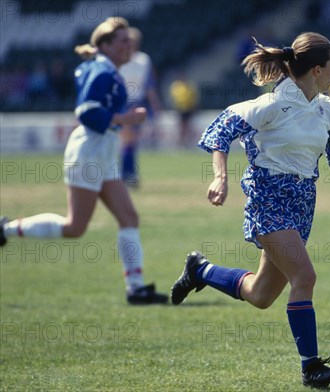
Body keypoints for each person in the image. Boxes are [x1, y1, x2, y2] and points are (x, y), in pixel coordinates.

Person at [170, 32, 330, 388]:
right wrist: (220, 178)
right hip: (267, 200)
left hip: (303, 205)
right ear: (318, 69)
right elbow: (221, 130)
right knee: (304, 278)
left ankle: (200, 270)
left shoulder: (328, 110)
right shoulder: (272, 105)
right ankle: (311, 368)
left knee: (260, 295)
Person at [0, 17, 168, 305]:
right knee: (74, 227)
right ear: (104, 45)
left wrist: (120, 120)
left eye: (129, 40)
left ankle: (137, 289)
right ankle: (4, 229)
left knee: (129, 217)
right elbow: (86, 112)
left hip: (103, 151)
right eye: (123, 41)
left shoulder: (105, 68)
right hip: (89, 151)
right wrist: (124, 118)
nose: (130, 45)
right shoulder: (102, 71)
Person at [118, 26, 162, 187]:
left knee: (132, 141)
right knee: (127, 139)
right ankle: (126, 174)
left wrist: (155, 104)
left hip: (137, 103)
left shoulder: (143, 60)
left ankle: (128, 174)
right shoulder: (119, 59)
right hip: (122, 103)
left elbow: (149, 84)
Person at [169, 72, 198, 147]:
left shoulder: (189, 85)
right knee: (181, 126)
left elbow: (193, 96)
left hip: (189, 108)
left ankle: (188, 141)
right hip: (180, 108)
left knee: (188, 126)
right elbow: (176, 97)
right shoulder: (176, 85)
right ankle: (181, 142)